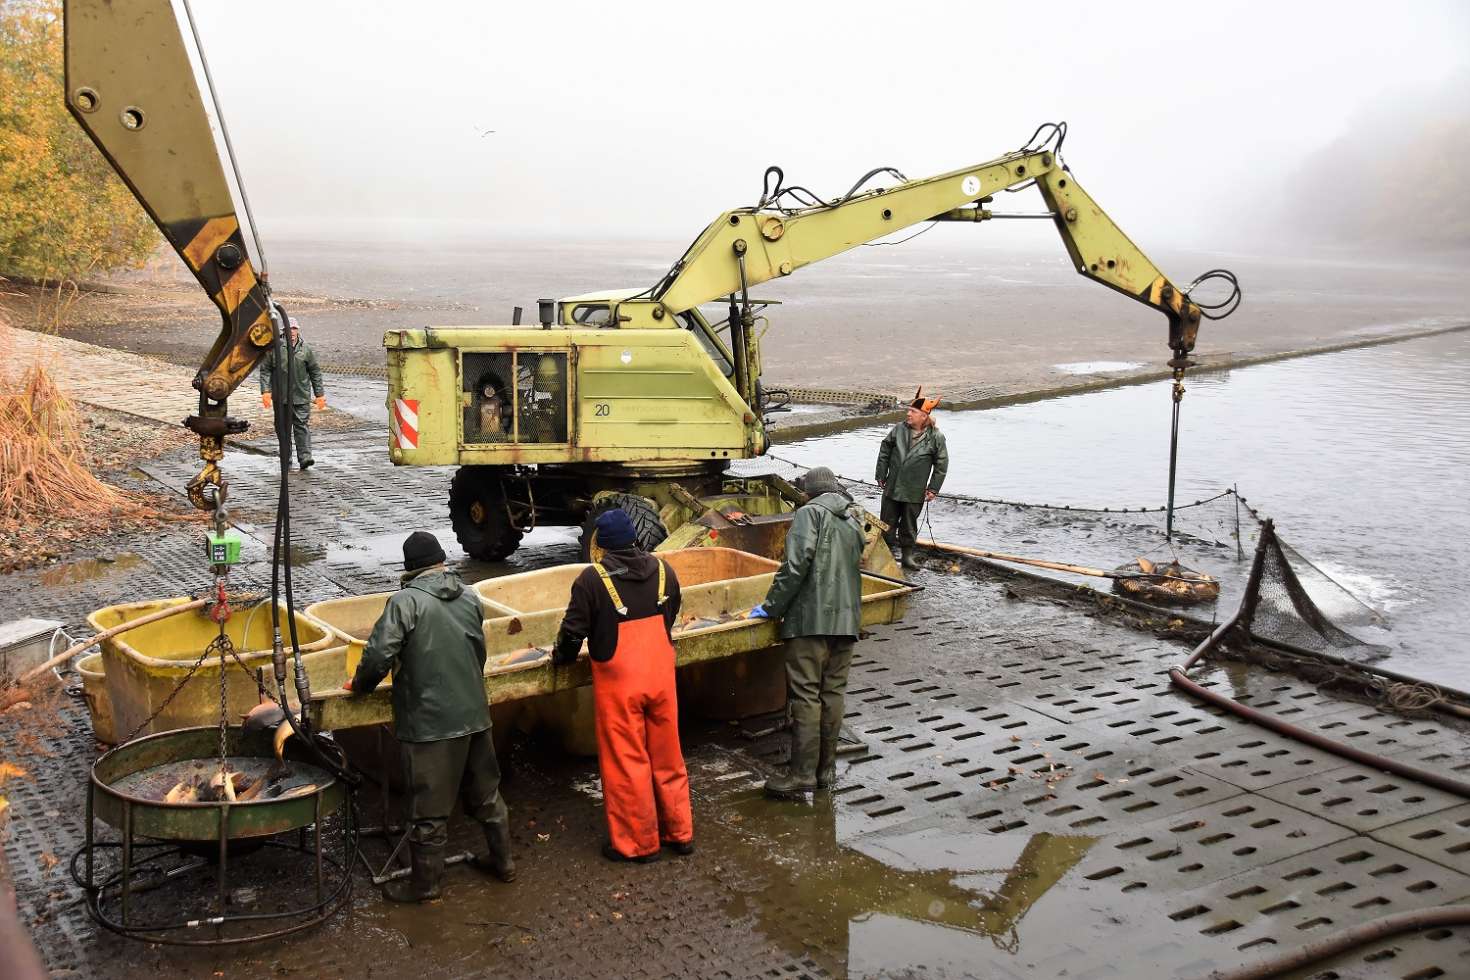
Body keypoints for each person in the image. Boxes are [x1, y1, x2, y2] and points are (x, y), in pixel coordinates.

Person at [347, 530, 515, 902]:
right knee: (486, 795)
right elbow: (478, 652)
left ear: (409, 568)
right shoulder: (470, 595)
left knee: (428, 811)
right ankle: (504, 863)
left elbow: (378, 656)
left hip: (430, 724)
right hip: (474, 714)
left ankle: (425, 888)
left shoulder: (404, 602)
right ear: (441, 561)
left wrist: (360, 685)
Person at [553, 509, 694, 863]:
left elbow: (572, 632)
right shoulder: (665, 571)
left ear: (601, 545)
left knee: (627, 762)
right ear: (634, 539)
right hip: (661, 678)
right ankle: (680, 834)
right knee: (668, 755)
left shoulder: (591, 580)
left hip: (620, 684)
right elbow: (671, 612)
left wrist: (562, 659)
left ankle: (638, 844)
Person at [750, 466, 867, 798]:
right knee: (833, 694)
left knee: (806, 696)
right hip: (846, 621)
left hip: (811, 621)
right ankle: (825, 771)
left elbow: (795, 565)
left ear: (809, 492)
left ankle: (801, 775)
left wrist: (771, 607)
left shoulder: (808, 514)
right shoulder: (852, 518)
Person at [875, 387, 948, 570]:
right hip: (892, 486)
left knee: (909, 525)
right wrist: (881, 474)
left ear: (924, 416)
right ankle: (885, 557)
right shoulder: (898, 429)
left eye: (912, 411)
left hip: (914, 490)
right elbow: (885, 450)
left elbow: (941, 464)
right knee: (887, 523)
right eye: (909, 410)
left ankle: (907, 557)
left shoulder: (936, 437)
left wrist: (933, 489)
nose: (908, 414)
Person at [259, 319, 326, 471]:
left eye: (295, 329)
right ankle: (286, 459)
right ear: (284, 331)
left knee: (301, 427)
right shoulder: (274, 349)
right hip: (281, 397)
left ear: (298, 330)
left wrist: (319, 394)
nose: (292, 332)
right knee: (283, 429)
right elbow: (265, 370)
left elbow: (315, 372)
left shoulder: (306, 349)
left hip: (301, 396)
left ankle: (305, 458)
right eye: (290, 329)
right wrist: (266, 391)